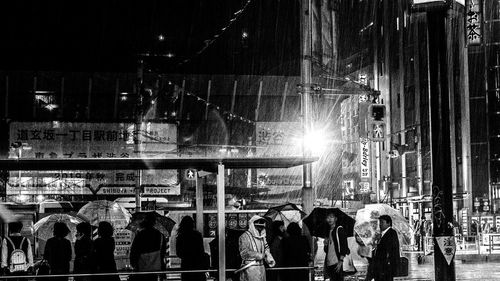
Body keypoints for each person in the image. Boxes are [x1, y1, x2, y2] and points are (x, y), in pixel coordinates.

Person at [130, 212, 167, 281]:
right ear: (154, 223)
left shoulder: (140, 235)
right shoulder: (160, 235)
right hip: (156, 269)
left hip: (141, 268)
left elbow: (134, 251)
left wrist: (133, 264)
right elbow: (163, 252)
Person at [239, 215, 275, 281]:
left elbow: (266, 249)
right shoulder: (244, 236)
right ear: (253, 225)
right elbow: (244, 252)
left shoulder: (262, 237)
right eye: (258, 226)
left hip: (261, 268)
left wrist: (269, 258)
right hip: (250, 268)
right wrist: (258, 255)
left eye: (262, 227)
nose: (260, 228)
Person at [176, 216, 207, 281]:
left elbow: (178, 253)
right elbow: (201, 250)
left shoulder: (180, 237)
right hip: (198, 265)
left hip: (186, 265)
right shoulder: (198, 235)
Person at [372, 215, 400, 281]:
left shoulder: (392, 233)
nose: (380, 225)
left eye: (382, 222)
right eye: (379, 223)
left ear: (388, 223)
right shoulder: (382, 234)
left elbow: (390, 248)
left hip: (386, 265)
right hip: (380, 265)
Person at [323, 210, 349, 281]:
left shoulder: (339, 229)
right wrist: (325, 244)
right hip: (329, 262)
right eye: (328, 218)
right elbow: (326, 250)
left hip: (337, 262)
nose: (329, 219)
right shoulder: (328, 231)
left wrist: (340, 261)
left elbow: (344, 246)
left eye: (331, 217)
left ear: (336, 219)